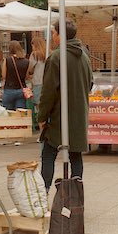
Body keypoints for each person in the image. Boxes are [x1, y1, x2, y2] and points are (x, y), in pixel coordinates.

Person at [37, 19, 93, 192]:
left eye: (53, 33)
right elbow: (90, 83)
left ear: (60, 35)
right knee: (75, 155)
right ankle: (76, 195)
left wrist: (42, 116)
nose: (52, 37)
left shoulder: (56, 57)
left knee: (48, 154)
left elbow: (48, 92)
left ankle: (43, 193)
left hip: (59, 115)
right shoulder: (84, 56)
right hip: (79, 113)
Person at [2, 40, 31, 111]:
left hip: (9, 89)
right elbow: (27, 76)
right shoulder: (26, 61)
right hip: (21, 90)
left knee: (8, 114)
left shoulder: (7, 60)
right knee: (20, 114)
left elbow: (3, 75)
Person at [27, 32, 47, 126]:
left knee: (39, 109)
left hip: (38, 82)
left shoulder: (35, 55)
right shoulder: (49, 53)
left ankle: (42, 132)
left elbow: (30, 68)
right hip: (48, 82)